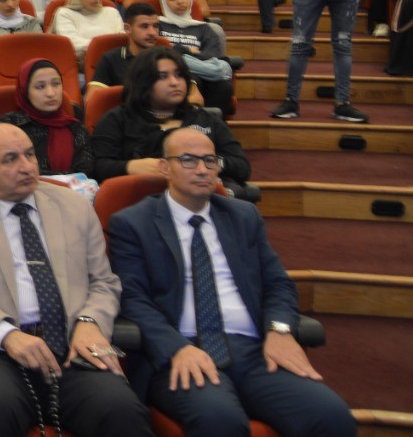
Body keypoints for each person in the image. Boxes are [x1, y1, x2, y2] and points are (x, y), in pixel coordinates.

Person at [108, 128, 357, 437]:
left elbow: (277, 283)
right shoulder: (133, 223)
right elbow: (133, 300)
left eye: (210, 160)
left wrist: (279, 330)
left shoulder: (243, 216)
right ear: (164, 167)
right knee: (220, 421)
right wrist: (176, 349)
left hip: (254, 351)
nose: (202, 169)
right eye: (188, 160)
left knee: (332, 416)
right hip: (182, 351)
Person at [0, 122, 149, 437]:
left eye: (30, 155)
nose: (27, 166)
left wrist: (89, 322)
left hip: (74, 343)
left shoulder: (74, 205)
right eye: (10, 159)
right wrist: (6, 334)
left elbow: (104, 281)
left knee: (121, 408)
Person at [90, 46, 250, 189]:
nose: (174, 82)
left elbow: (242, 166)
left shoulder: (205, 119)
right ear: (143, 82)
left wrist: (207, 161)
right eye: (162, 76)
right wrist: (130, 166)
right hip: (138, 198)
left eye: (179, 75)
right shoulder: (117, 120)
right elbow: (98, 167)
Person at [0, 59, 96, 179]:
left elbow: (85, 174)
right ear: (26, 91)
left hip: (72, 190)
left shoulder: (76, 128)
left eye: (56, 84)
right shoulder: (8, 126)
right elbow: (8, 170)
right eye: (40, 86)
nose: (50, 93)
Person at [158, 0, 235, 109]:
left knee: (225, 86)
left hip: (203, 72)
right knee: (193, 79)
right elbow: (159, 52)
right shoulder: (158, 25)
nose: (180, 1)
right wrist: (189, 51)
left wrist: (178, 52)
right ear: (164, 2)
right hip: (169, 74)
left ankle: (212, 120)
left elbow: (212, 57)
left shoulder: (204, 28)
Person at [50, 0, 123, 65]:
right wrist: (109, 46)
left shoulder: (112, 12)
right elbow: (73, 44)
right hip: (81, 67)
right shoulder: (65, 14)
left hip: (116, 64)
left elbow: (122, 39)